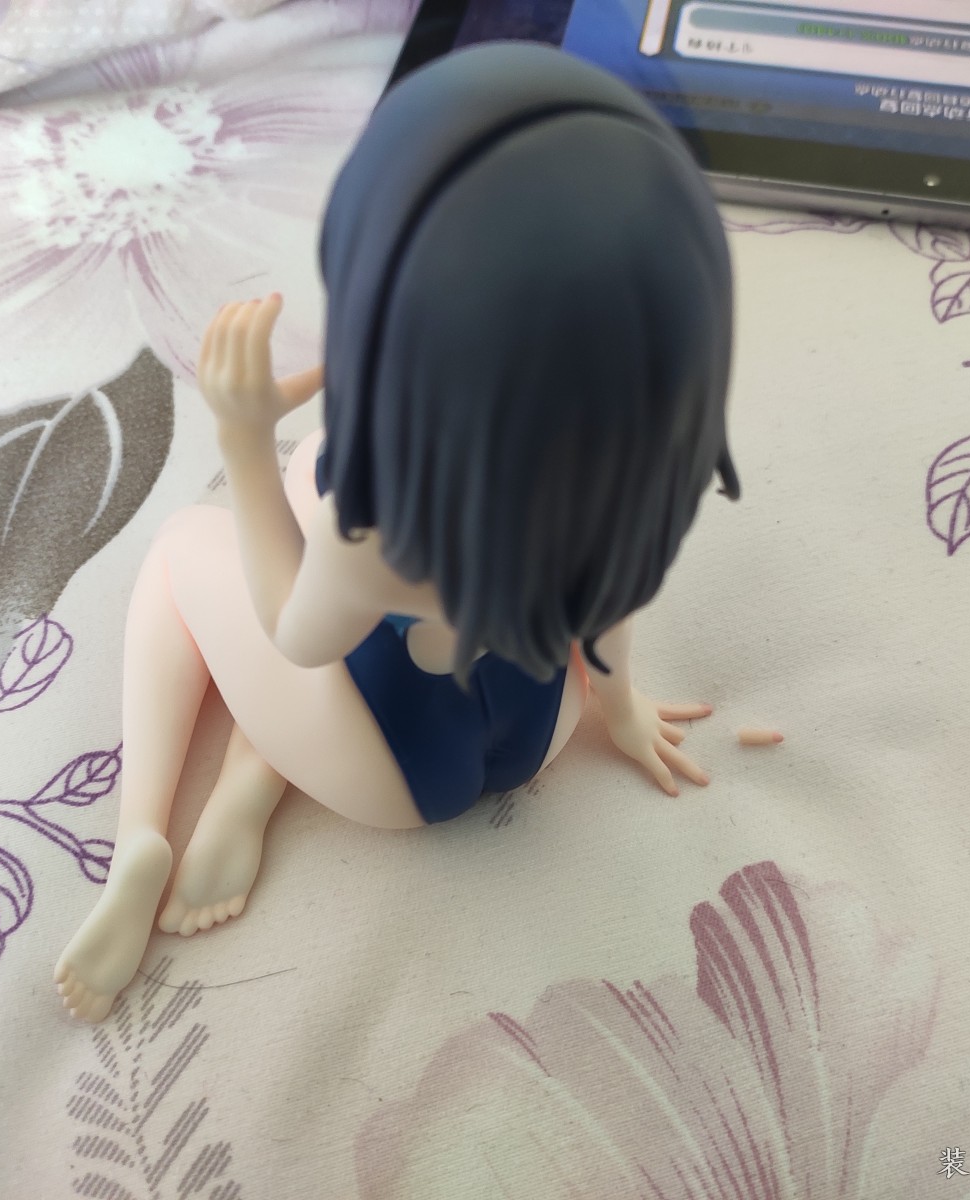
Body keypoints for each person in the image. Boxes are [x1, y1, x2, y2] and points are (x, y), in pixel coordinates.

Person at [54, 42, 770, 1023]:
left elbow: (297, 633)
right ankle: (250, 783)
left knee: (193, 539)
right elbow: (607, 620)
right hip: (540, 727)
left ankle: (140, 836)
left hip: (392, 776)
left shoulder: (387, 533)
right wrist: (624, 713)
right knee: (319, 473)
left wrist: (244, 438)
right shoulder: (626, 487)